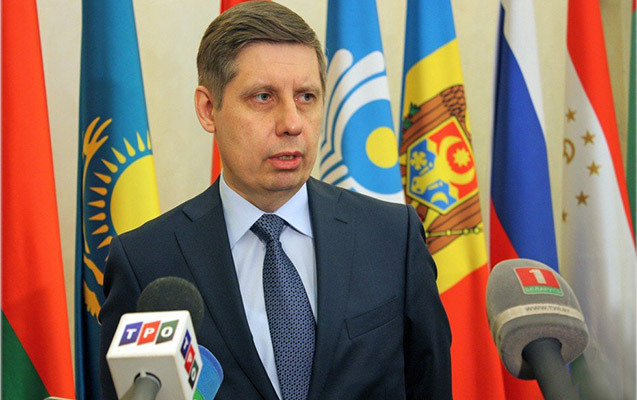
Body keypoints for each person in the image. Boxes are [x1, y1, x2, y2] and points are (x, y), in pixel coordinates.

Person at [98, 2, 452, 399]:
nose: (292, 123)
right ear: (208, 109)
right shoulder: (145, 263)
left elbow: (430, 384)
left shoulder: (393, 237)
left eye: (306, 97)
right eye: (263, 97)